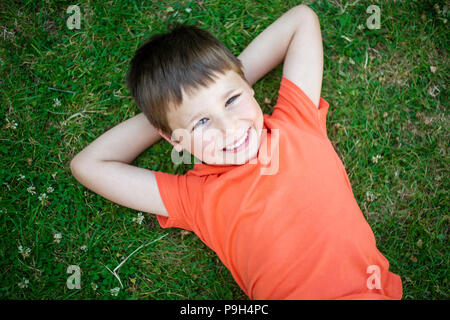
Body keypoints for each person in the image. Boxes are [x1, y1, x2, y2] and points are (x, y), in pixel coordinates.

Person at [70, 5, 403, 299]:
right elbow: (88, 164)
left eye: (232, 100)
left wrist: (228, 79)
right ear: (175, 140)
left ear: (248, 86)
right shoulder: (194, 196)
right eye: (202, 122)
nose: (229, 128)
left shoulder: (295, 121)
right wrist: (167, 118)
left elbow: (302, 19)